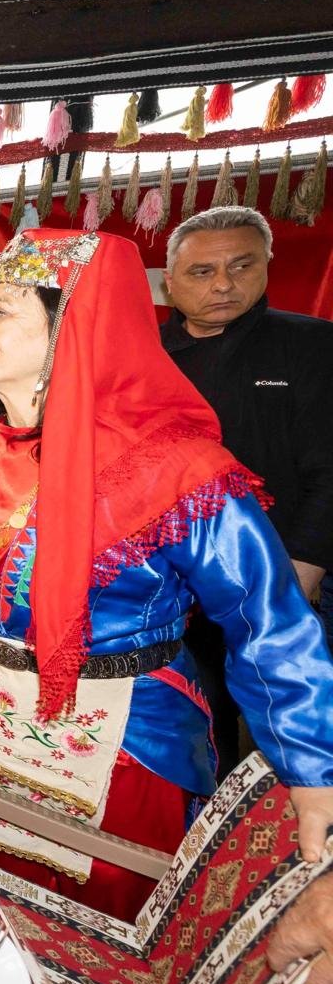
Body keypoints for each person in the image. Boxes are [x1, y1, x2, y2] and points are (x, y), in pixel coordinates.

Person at [0, 228, 333, 923]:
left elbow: (267, 622)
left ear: (71, 327)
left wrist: (314, 771)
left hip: (114, 756)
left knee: (92, 932)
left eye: (0, 312)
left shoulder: (173, 468)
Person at [159, 206, 333, 771]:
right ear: (170, 281)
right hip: (172, 591)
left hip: (284, 578)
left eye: (241, 266)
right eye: (202, 271)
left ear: (266, 266)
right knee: (197, 736)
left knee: (292, 746)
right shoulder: (145, 357)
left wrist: (298, 574)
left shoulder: (311, 345)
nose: (223, 284)